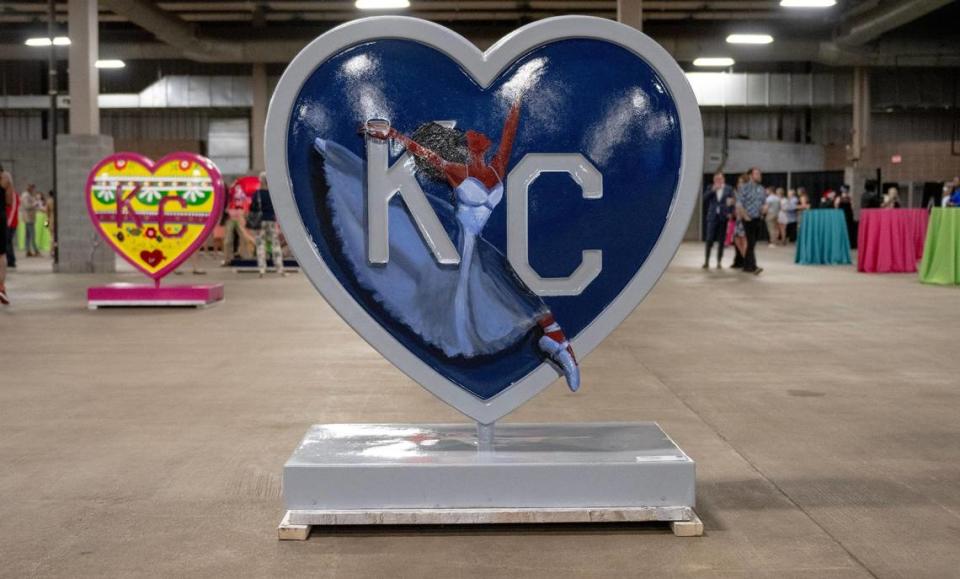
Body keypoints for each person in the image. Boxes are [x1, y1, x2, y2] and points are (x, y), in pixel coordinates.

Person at [317, 97, 581, 391]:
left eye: (478, 137)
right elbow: (424, 153)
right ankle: (556, 341)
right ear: (470, 147)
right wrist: (391, 135)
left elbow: (509, 134)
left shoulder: (497, 166)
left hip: (478, 242)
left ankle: (556, 342)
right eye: (472, 138)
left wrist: (518, 101)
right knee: (486, 290)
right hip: (458, 240)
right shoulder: (459, 171)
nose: (477, 136)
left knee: (512, 286)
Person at [251, 171, 286, 278]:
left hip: (260, 222)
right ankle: (279, 268)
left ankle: (262, 269)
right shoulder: (273, 193)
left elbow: (252, 208)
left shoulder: (257, 194)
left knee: (260, 245)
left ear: (260, 181)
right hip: (271, 221)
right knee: (275, 244)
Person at [736, 167, 766, 275]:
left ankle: (747, 266)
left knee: (752, 244)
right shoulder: (744, 188)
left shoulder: (761, 189)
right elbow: (739, 203)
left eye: (759, 174)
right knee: (751, 242)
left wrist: (765, 207)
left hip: (758, 218)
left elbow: (764, 202)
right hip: (748, 219)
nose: (759, 175)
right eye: (757, 174)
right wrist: (744, 215)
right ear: (750, 175)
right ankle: (753, 267)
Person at [702, 171, 734, 269]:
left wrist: (730, 212)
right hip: (712, 217)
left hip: (723, 217)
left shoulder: (728, 188)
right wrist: (713, 190)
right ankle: (706, 261)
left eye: (720, 179)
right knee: (709, 239)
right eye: (716, 179)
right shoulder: (710, 187)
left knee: (721, 240)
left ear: (723, 179)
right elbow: (704, 198)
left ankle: (719, 262)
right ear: (714, 180)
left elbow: (732, 201)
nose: (718, 180)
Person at [222, 182, 255, 265]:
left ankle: (246, 257)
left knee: (244, 237)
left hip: (240, 215)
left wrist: (244, 212)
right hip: (231, 215)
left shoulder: (243, 194)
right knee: (228, 239)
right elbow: (227, 203)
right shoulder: (229, 192)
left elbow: (246, 204)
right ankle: (227, 259)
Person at [0, 164, 13, 304]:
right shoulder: (6, 177)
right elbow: (9, 201)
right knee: (1, 254)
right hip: (0, 216)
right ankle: (1, 286)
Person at [20, 184, 41, 257]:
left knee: (28, 235)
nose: (33, 190)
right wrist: (35, 204)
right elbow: (27, 206)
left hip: (30, 218)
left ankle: (28, 251)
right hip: (28, 218)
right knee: (32, 235)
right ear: (29, 188)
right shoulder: (26, 195)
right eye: (33, 188)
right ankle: (36, 251)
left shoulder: (29, 195)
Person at [5, 175, 18, 269]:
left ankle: (11, 260)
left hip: (11, 223)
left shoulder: (13, 195)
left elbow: (13, 210)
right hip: (8, 222)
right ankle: (10, 260)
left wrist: (8, 223)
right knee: (7, 242)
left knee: (8, 242)